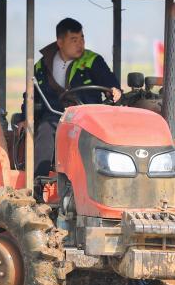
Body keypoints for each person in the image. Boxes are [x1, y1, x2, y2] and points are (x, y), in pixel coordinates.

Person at [28, 17, 119, 178]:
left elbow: (110, 82)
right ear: (60, 42)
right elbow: (30, 94)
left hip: (88, 118)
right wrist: (23, 117)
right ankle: (38, 182)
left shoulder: (93, 61)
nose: (80, 44)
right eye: (74, 40)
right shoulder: (41, 66)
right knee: (45, 130)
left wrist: (114, 89)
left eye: (82, 38)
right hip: (55, 116)